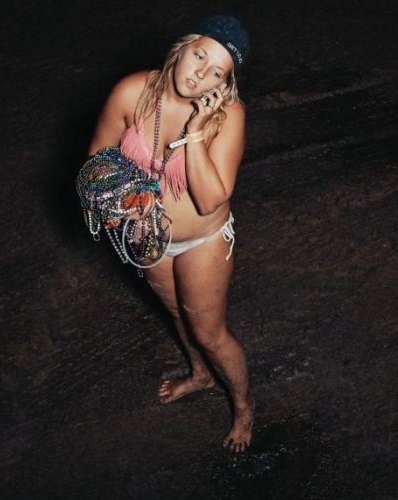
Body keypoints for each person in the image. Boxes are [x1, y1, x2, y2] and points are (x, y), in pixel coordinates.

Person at [87, 15, 253, 453]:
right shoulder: (132, 92)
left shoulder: (228, 116)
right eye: (199, 56)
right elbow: (98, 159)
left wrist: (195, 135)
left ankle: (243, 406)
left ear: (224, 83)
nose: (199, 74)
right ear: (182, 47)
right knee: (179, 315)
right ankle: (200, 375)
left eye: (216, 72)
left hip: (203, 241)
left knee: (210, 334)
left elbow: (210, 199)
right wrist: (121, 203)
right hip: (147, 236)